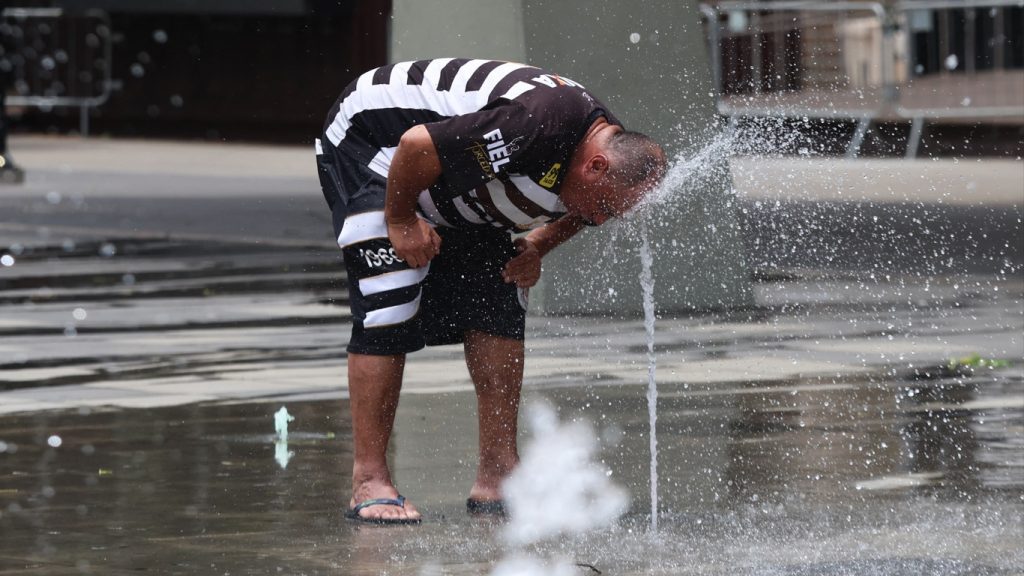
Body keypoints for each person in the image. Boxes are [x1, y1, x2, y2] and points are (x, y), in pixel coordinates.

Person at [316, 58, 666, 524]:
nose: (600, 220)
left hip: (450, 172)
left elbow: (582, 210)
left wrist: (538, 245)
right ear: (596, 165)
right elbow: (417, 144)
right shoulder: (538, 125)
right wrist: (399, 220)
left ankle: (498, 472)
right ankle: (369, 480)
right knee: (389, 300)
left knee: (500, 291)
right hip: (374, 144)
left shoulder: (605, 150)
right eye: (605, 207)